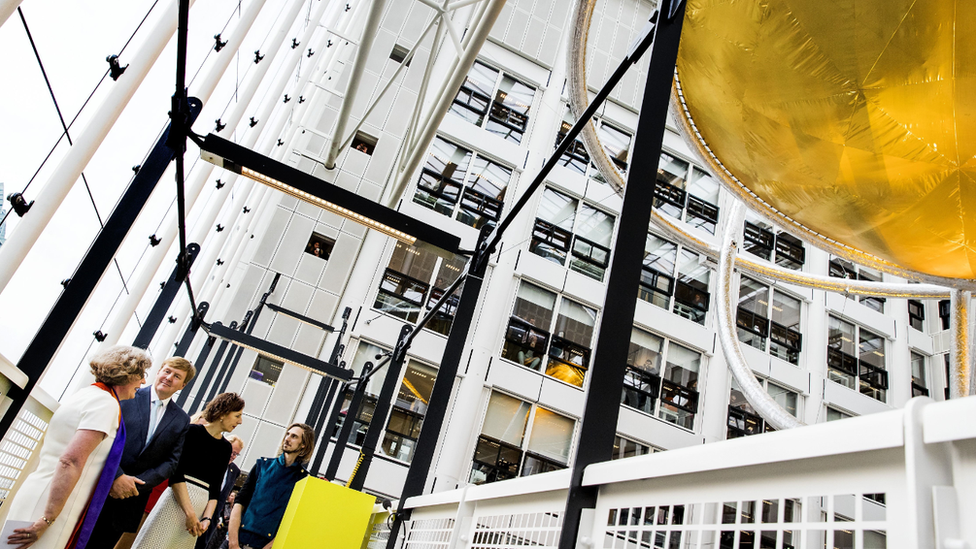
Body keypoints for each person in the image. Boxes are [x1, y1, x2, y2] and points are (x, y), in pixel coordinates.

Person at [5, 346, 152, 549]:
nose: (143, 382)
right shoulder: (105, 403)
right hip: (51, 505)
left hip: (42, 493)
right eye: (141, 375)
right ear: (127, 374)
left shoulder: (85, 394)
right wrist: (48, 518)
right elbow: (71, 460)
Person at [86, 357, 195, 549]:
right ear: (159, 371)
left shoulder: (181, 420)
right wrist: (117, 475)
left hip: (131, 497)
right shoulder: (126, 396)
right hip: (98, 483)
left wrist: (135, 484)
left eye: (176, 376)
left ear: (183, 385)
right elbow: (106, 437)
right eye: (167, 371)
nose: (169, 377)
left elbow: (171, 462)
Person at [130, 393, 245, 549]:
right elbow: (177, 475)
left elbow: (215, 489)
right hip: (175, 503)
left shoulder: (225, 448)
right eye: (237, 415)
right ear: (224, 413)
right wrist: (189, 514)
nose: (240, 421)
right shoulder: (191, 432)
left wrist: (206, 519)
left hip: (199, 513)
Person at [228, 424, 315, 549]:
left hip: (266, 544)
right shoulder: (262, 465)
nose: (287, 438)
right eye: (287, 434)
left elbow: (294, 521)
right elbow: (239, 502)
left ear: (304, 445)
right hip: (238, 539)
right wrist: (233, 543)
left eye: (294, 436)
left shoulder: (304, 479)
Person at [202, 435, 244, 549]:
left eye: (236, 454)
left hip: (214, 515)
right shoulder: (211, 460)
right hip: (200, 507)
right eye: (232, 451)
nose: (233, 456)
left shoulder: (234, 471)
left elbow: (224, 493)